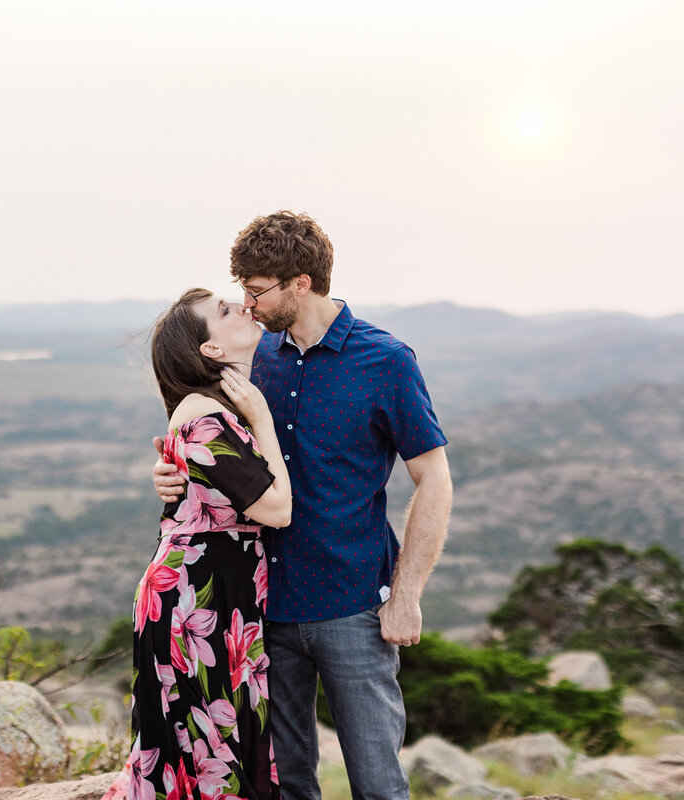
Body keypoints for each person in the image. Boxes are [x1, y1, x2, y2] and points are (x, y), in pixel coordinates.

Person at [153, 211, 453, 800]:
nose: (247, 304)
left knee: (376, 784)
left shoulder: (386, 361)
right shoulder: (253, 356)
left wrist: (409, 595)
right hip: (262, 609)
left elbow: (435, 480)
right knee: (286, 785)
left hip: (353, 609)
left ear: (301, 282)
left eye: (257, 290)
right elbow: (206, 434)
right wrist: (169, 472)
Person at [110, 287, 292, 800]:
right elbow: (277, 510)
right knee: (211, 751)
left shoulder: (214, 405)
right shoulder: (206, 415)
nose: (243, 308)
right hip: (194, 603)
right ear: (211, 351)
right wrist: (263, 422)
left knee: (213, 747)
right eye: (226, 311)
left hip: (213, 596)